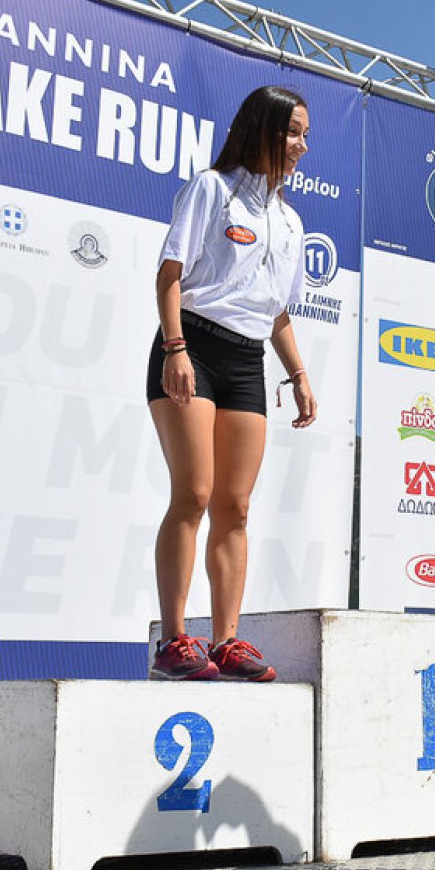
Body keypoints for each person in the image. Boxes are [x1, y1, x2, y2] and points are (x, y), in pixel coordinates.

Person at [145, 86, 317, 682]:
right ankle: (174, 641)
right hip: (192, 343)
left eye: (305, 136)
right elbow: (170, 275)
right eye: (292, 132)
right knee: (193, 493)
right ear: (261, 128)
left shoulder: (290, 221)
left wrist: (299, 374)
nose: (301, 146)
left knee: (235, 506)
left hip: (247, 358)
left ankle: (226, 642)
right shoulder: (212, 189)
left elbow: (278, 313)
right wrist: (175, 348)